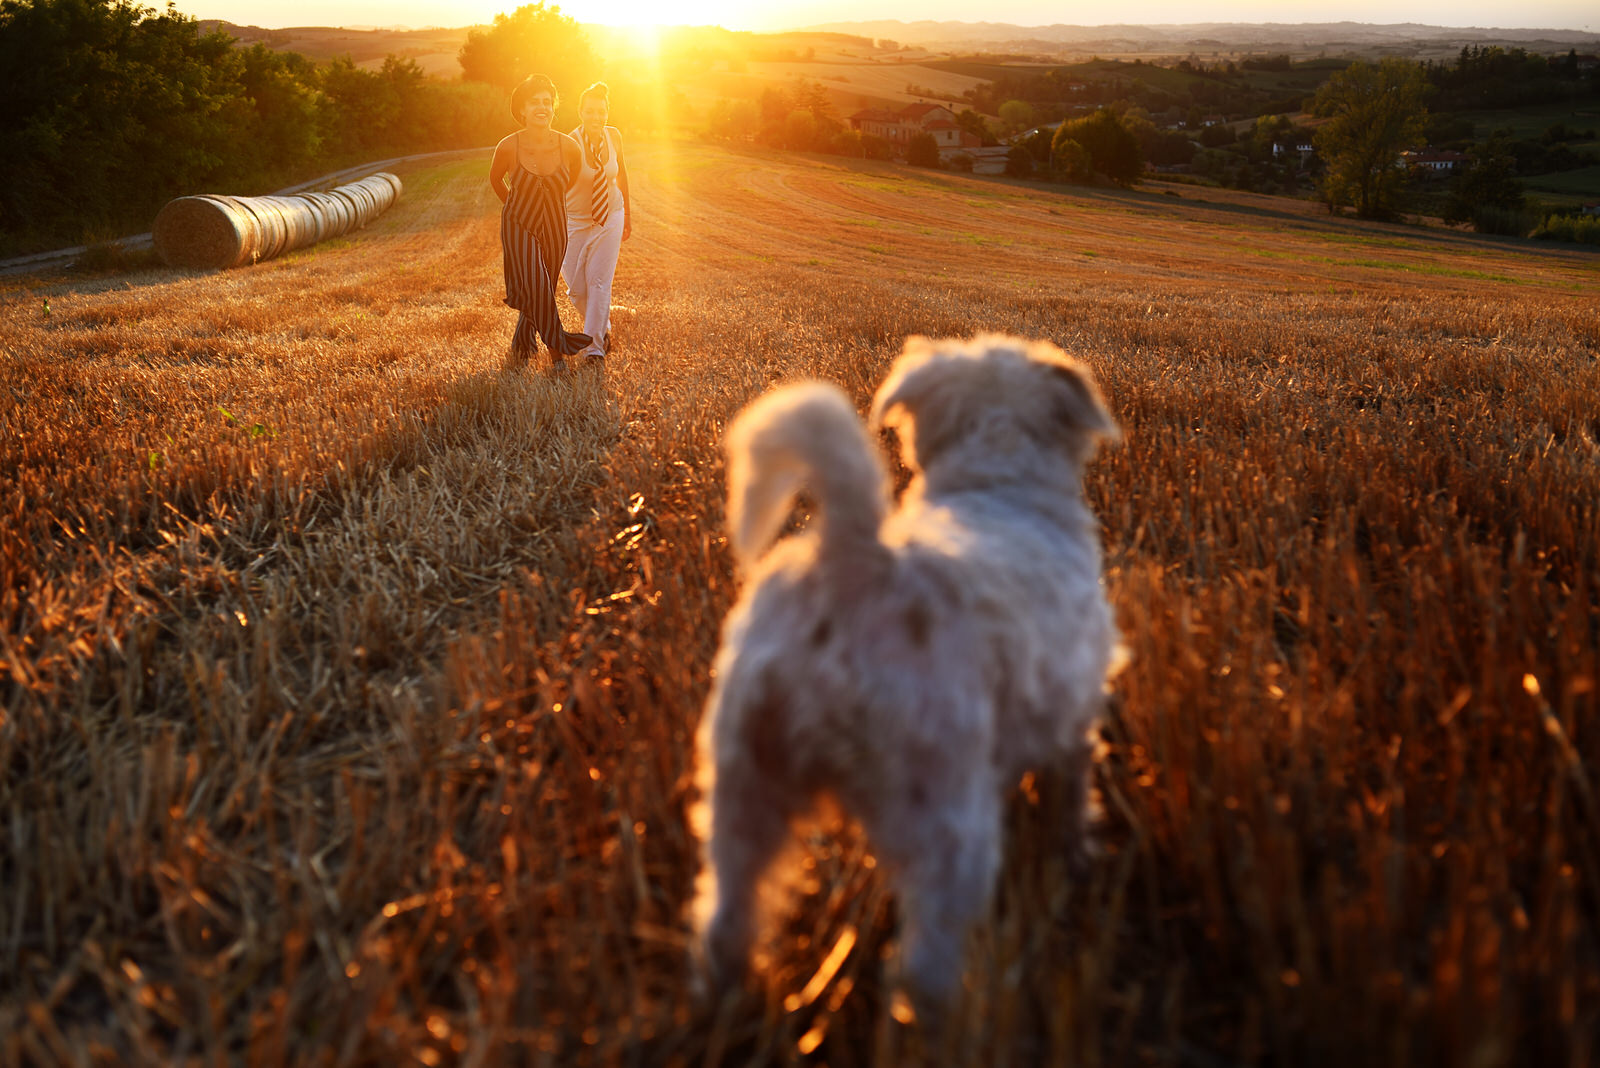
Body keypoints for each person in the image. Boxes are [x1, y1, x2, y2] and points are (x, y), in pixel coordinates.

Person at [489, 74, 591, 370]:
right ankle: (558, 351)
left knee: (543, 286)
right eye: (535, 102)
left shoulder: (569, 146)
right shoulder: (508, 146)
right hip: (519, 223)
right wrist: (516, 207)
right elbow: (496, 180)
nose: (542, 108)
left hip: (556, 225)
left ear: (554, 106)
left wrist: (548, 205)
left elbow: (569, 181)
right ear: (522, 109)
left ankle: (522, 344)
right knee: (536, 280)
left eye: (547, 102)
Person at [562, 82, 631, 361]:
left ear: (607, 112)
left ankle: (594, 349)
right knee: (577, 289)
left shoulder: (614, 136)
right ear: (580, 112)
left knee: (599, 282)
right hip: (575, 221)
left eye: (601, 111)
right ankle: (605, 327)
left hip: (611, 215)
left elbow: (622, 174)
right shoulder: (570, 142)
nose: (596, 117)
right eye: (590, 111)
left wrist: (629, 216)